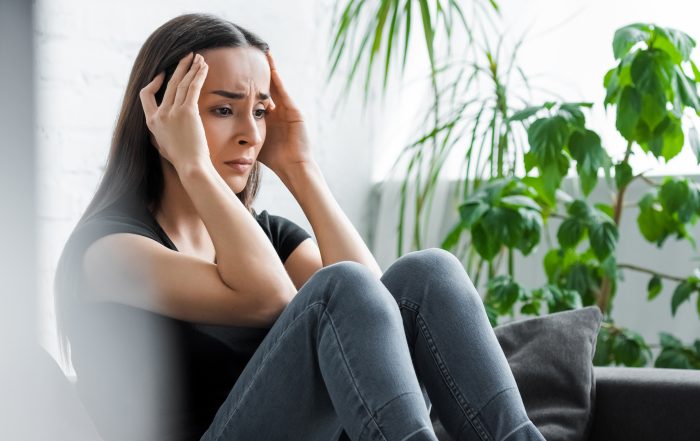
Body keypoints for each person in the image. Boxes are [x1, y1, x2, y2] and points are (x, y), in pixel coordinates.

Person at [53, 12, 546, 441]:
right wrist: (195, 166)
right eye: (223, 109)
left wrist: (300, 168)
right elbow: (267, 298)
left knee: (428, 274)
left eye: (260, 112)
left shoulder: (268, 237)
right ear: (162, 115)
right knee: (338, 286)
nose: (250, 134)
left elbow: (379, 317)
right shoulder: (111, 250)